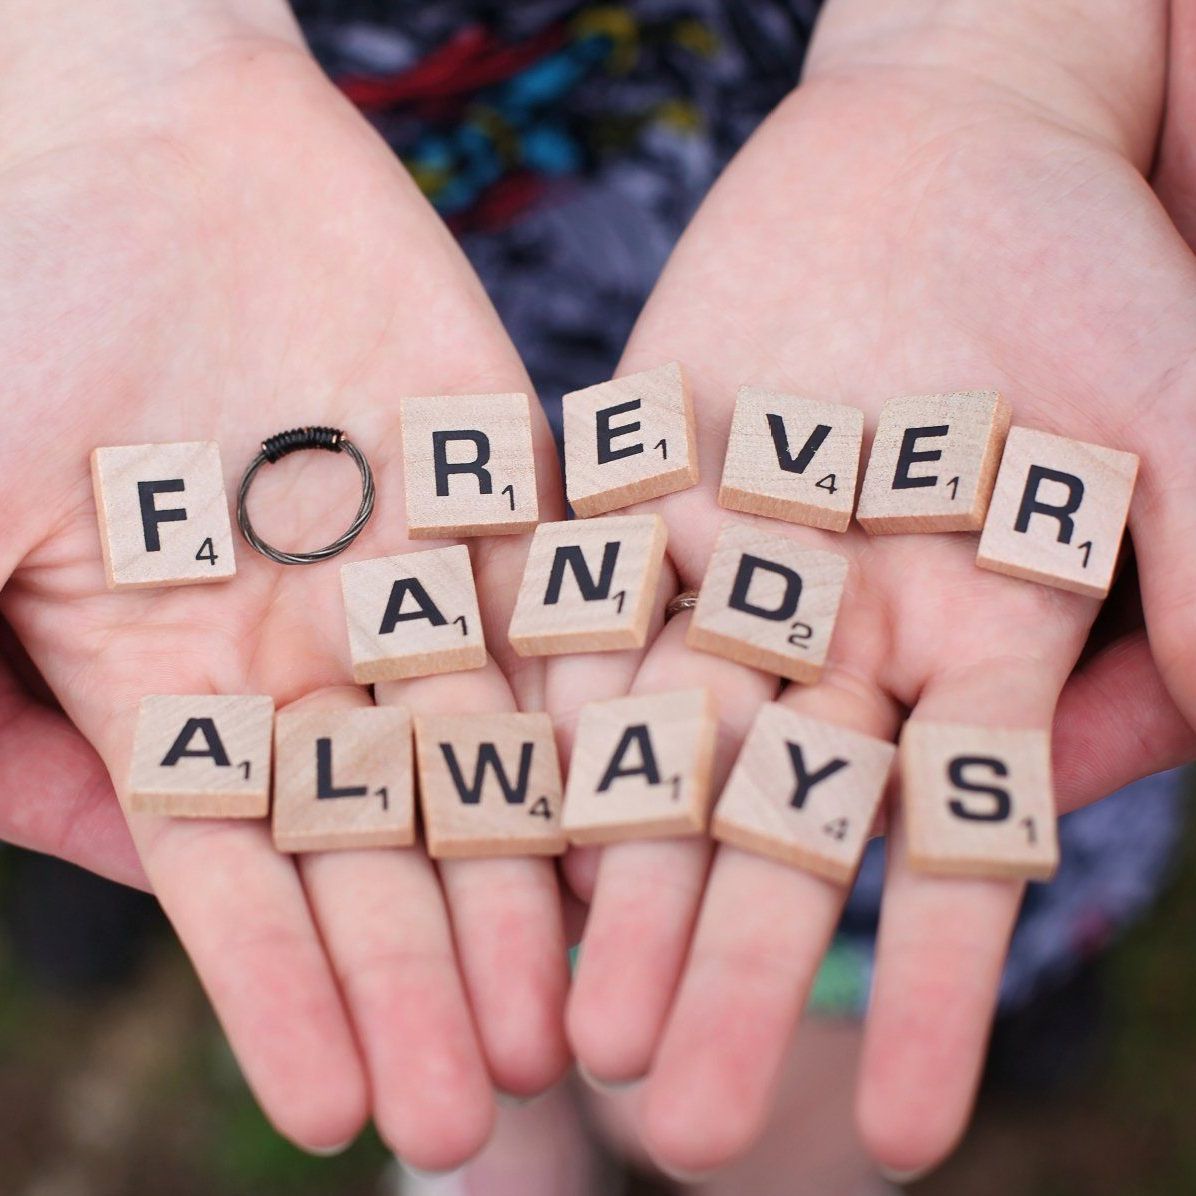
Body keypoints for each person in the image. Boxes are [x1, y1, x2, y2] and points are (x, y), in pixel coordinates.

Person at [2, 0, 1195, 1191]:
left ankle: (852, 1030)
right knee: (358, 828)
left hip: (850, 243)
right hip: (240, 299)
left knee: (863, 780)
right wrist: (93, 87)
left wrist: (1013, 67)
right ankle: (499, 1100)